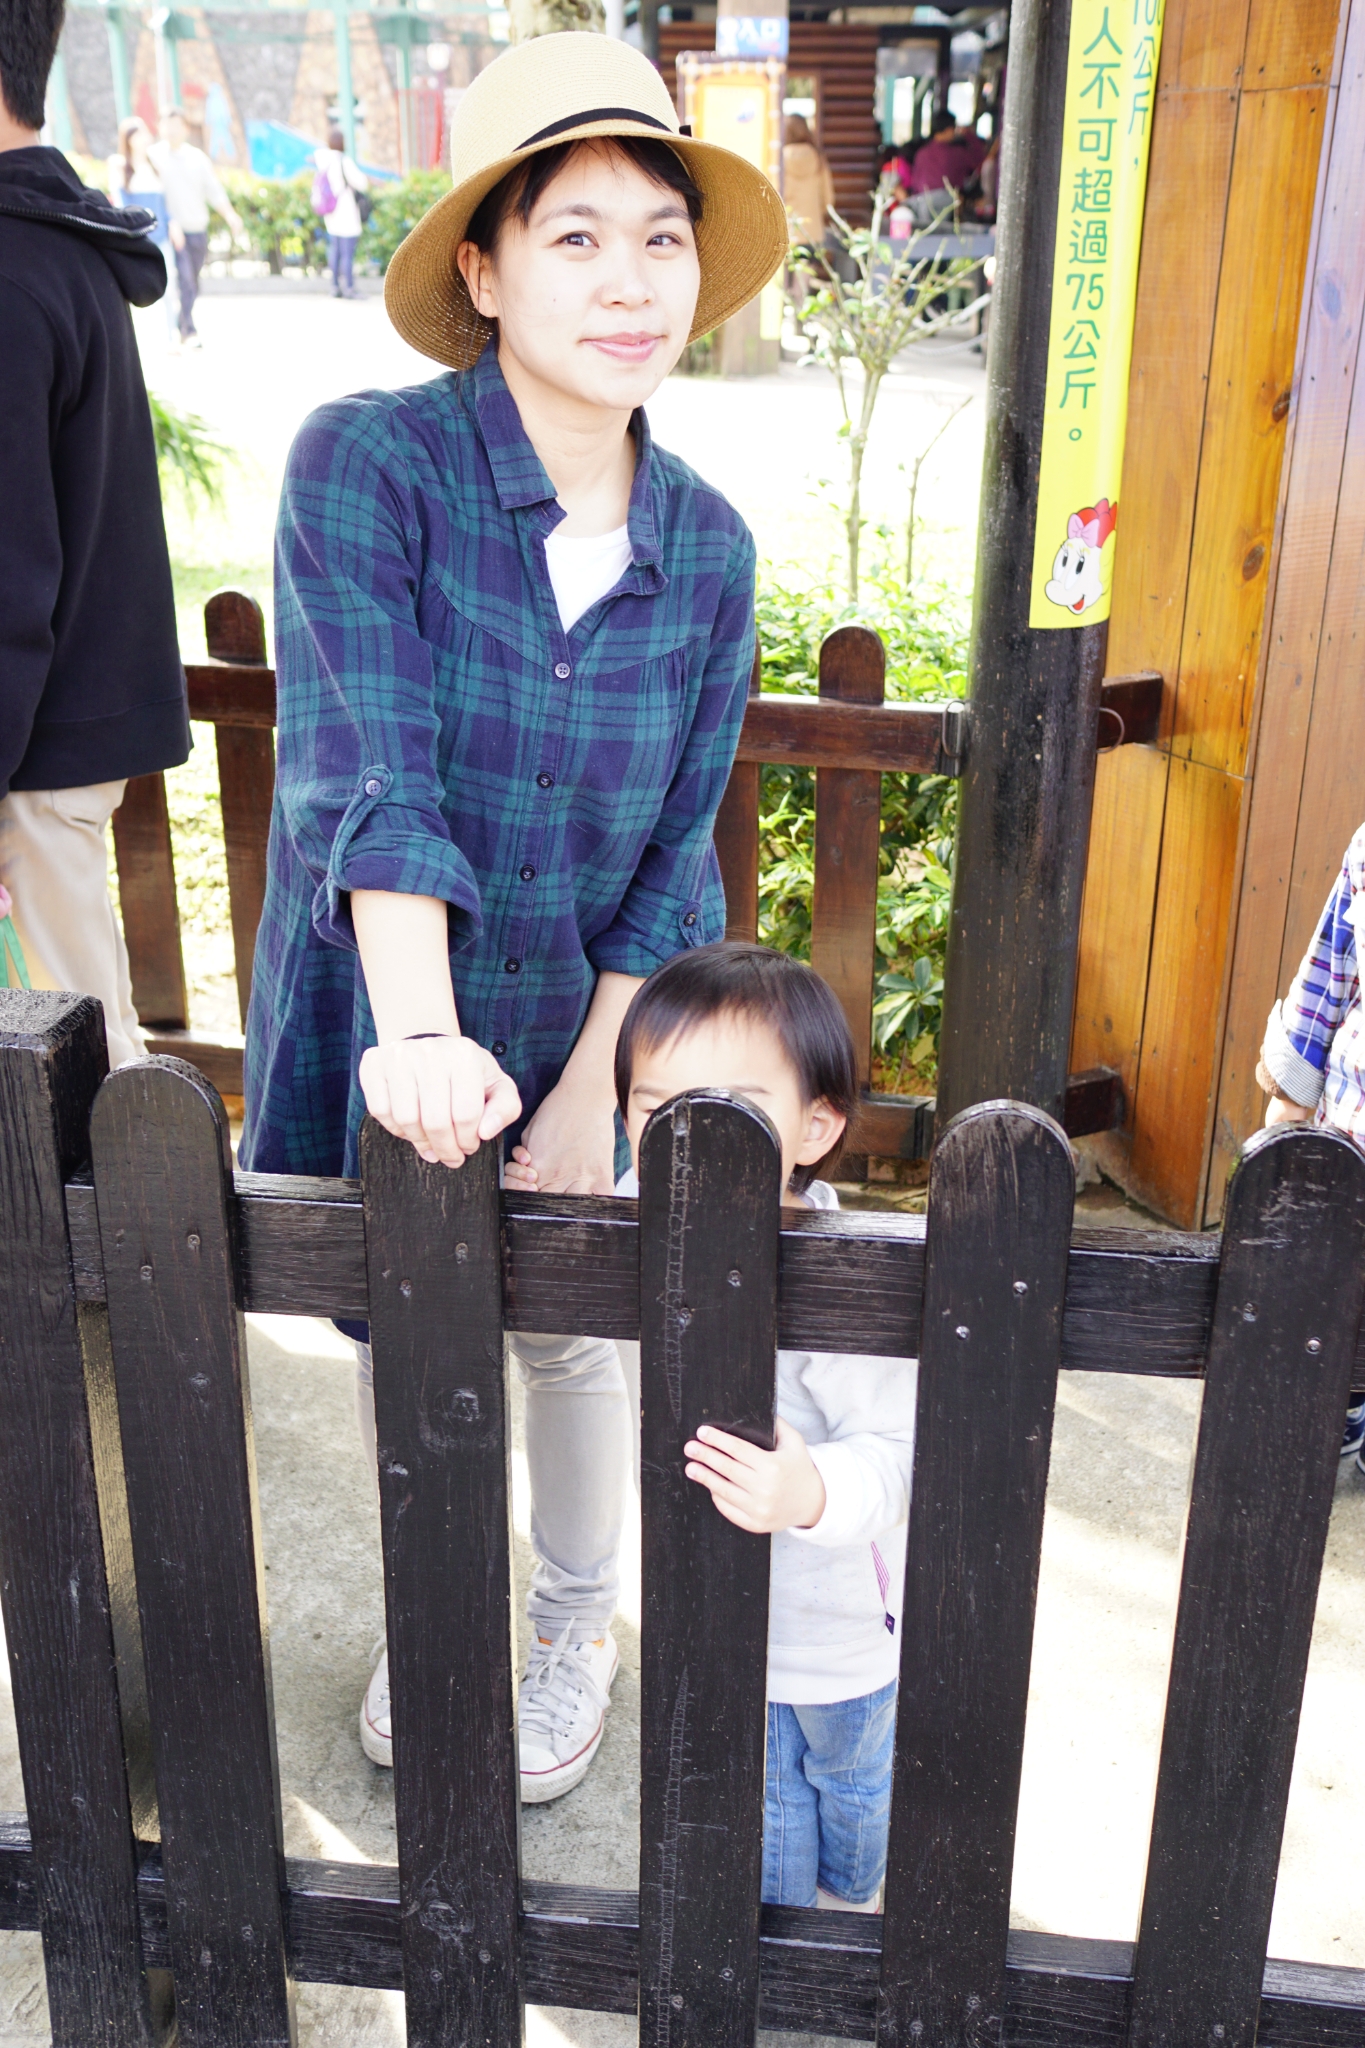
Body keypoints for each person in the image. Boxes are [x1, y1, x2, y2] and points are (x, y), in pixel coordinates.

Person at [238, 32, 789, 1798]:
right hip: (388, 993)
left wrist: (584, 1087)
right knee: (413, 1318)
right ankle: (441, 1609)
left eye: (662, 239)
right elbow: (363, 769)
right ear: (482, 269)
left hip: (577, 1015)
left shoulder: (708, 548)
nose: (632, 283)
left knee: (566, 1327)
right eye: (577, 237)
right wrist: (418, 1032)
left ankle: (569, 1621)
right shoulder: (370, 467)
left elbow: (677, 850)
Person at [601, 943, 917, 1910]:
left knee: (850, 1784)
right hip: (714, 1612)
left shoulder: (846, 1277)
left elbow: (897, 1453)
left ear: (816, 1125)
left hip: (840, 1631)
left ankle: (850, 1901)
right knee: (766, 1796)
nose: (690, 1139)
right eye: (657, 1109)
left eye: (732, 1109)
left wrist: (811, 1489)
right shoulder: (627, 1232)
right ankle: (781, 1945)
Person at [0, 0, 189, 1071]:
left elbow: (5, 578)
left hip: (28, 764)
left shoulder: (12, 267)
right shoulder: (53, 247)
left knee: (71, 1082)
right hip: (49, 750)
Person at [1257, 821, 1365, 1471]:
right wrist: (1291, 1097)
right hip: (1354, 1125)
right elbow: (1330, 966)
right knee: (1331, 1277)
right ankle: (1344, 1398)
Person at [149, 105, 244, 348]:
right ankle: (187, 330)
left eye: (177, 125)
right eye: (167, 125)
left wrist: (230, 215)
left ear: (185, 128)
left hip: (197, 229)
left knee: (193, 282)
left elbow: (214, 191)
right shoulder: (153, 158)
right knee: (185, 281)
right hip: (171, 231)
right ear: (160, 127)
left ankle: (182, 323)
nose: (172, 130)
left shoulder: (197, 158)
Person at [109, 113, 179, 344]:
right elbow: (121, 206)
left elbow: (165, 203)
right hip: (138, 239)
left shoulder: (155, 165)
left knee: (169, 287)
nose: (142, 138)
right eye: (136, 134)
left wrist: (172, 224)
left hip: (161, 236)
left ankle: (171, 337)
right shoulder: (121, 166)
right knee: (134, 290)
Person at [313, 125, 368, 299]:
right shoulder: (343, 161)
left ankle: (335, 287)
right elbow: (362, 183)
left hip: (331, 213)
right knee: (347, 253)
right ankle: (349, 288)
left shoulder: (323, 161)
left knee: (335, 251)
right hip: (346, 212)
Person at [904, 108, 987, 223]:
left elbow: (915, 184)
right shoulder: (957, 154)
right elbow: (980, 161)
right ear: (948, 130)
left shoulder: (921, 153)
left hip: (921, 210)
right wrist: (969, 135)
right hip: (948, 211)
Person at [782, 113, 834, 249]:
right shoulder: (818, 157)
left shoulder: (779, 159)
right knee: (810, 263)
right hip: (813, 232)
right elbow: (828, 198)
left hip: (787, 231)